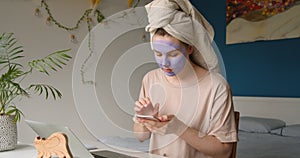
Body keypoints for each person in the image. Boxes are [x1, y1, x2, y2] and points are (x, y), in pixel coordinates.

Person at [133, 0, 237, 157]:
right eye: (158, 54)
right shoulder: (150, 79)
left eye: (173, 54)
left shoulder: (216, 86)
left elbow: (224, 151)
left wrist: (178, 128)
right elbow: (141, 137)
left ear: (190, 48)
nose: (164, 63)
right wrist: (145, 118)